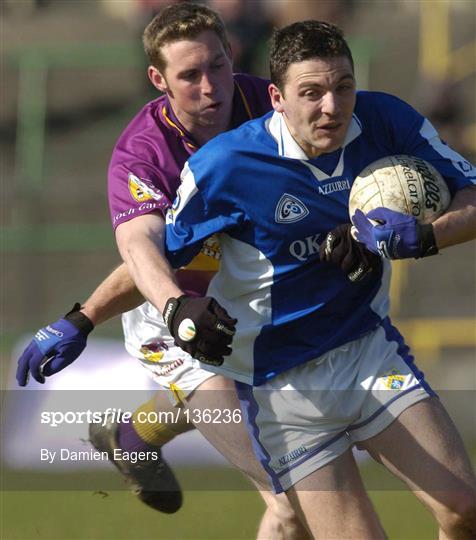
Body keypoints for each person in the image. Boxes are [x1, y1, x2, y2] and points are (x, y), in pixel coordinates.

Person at [158, 20, 476, 539]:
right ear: (277, 99)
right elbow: (150, 257)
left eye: (343, 87)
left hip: (368, 354)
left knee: (465, 510)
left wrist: (426, 236)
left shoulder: (386, 120)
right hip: (282, 389)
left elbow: (472, 196)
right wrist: (94, 317)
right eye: (311, 93)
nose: (332, 106)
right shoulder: (225, 165)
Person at [15, 4, 308, 538]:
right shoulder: (143, 154)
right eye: (189, 75)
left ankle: (132, 435)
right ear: (158, 80)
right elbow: (142, 250)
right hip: (174, 314)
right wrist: (85, 318)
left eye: (217, 66)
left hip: (253, 290)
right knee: (293, 498)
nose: (210, 86)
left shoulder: (271, 105)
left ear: (233, 54)